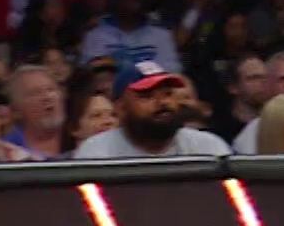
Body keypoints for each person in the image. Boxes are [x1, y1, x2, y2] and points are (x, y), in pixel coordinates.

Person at [73, 61, 232, 158]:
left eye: (167, 94)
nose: (162, 103)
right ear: (121, 108)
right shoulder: (97, 153)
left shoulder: (208, 147)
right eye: (147, 96)